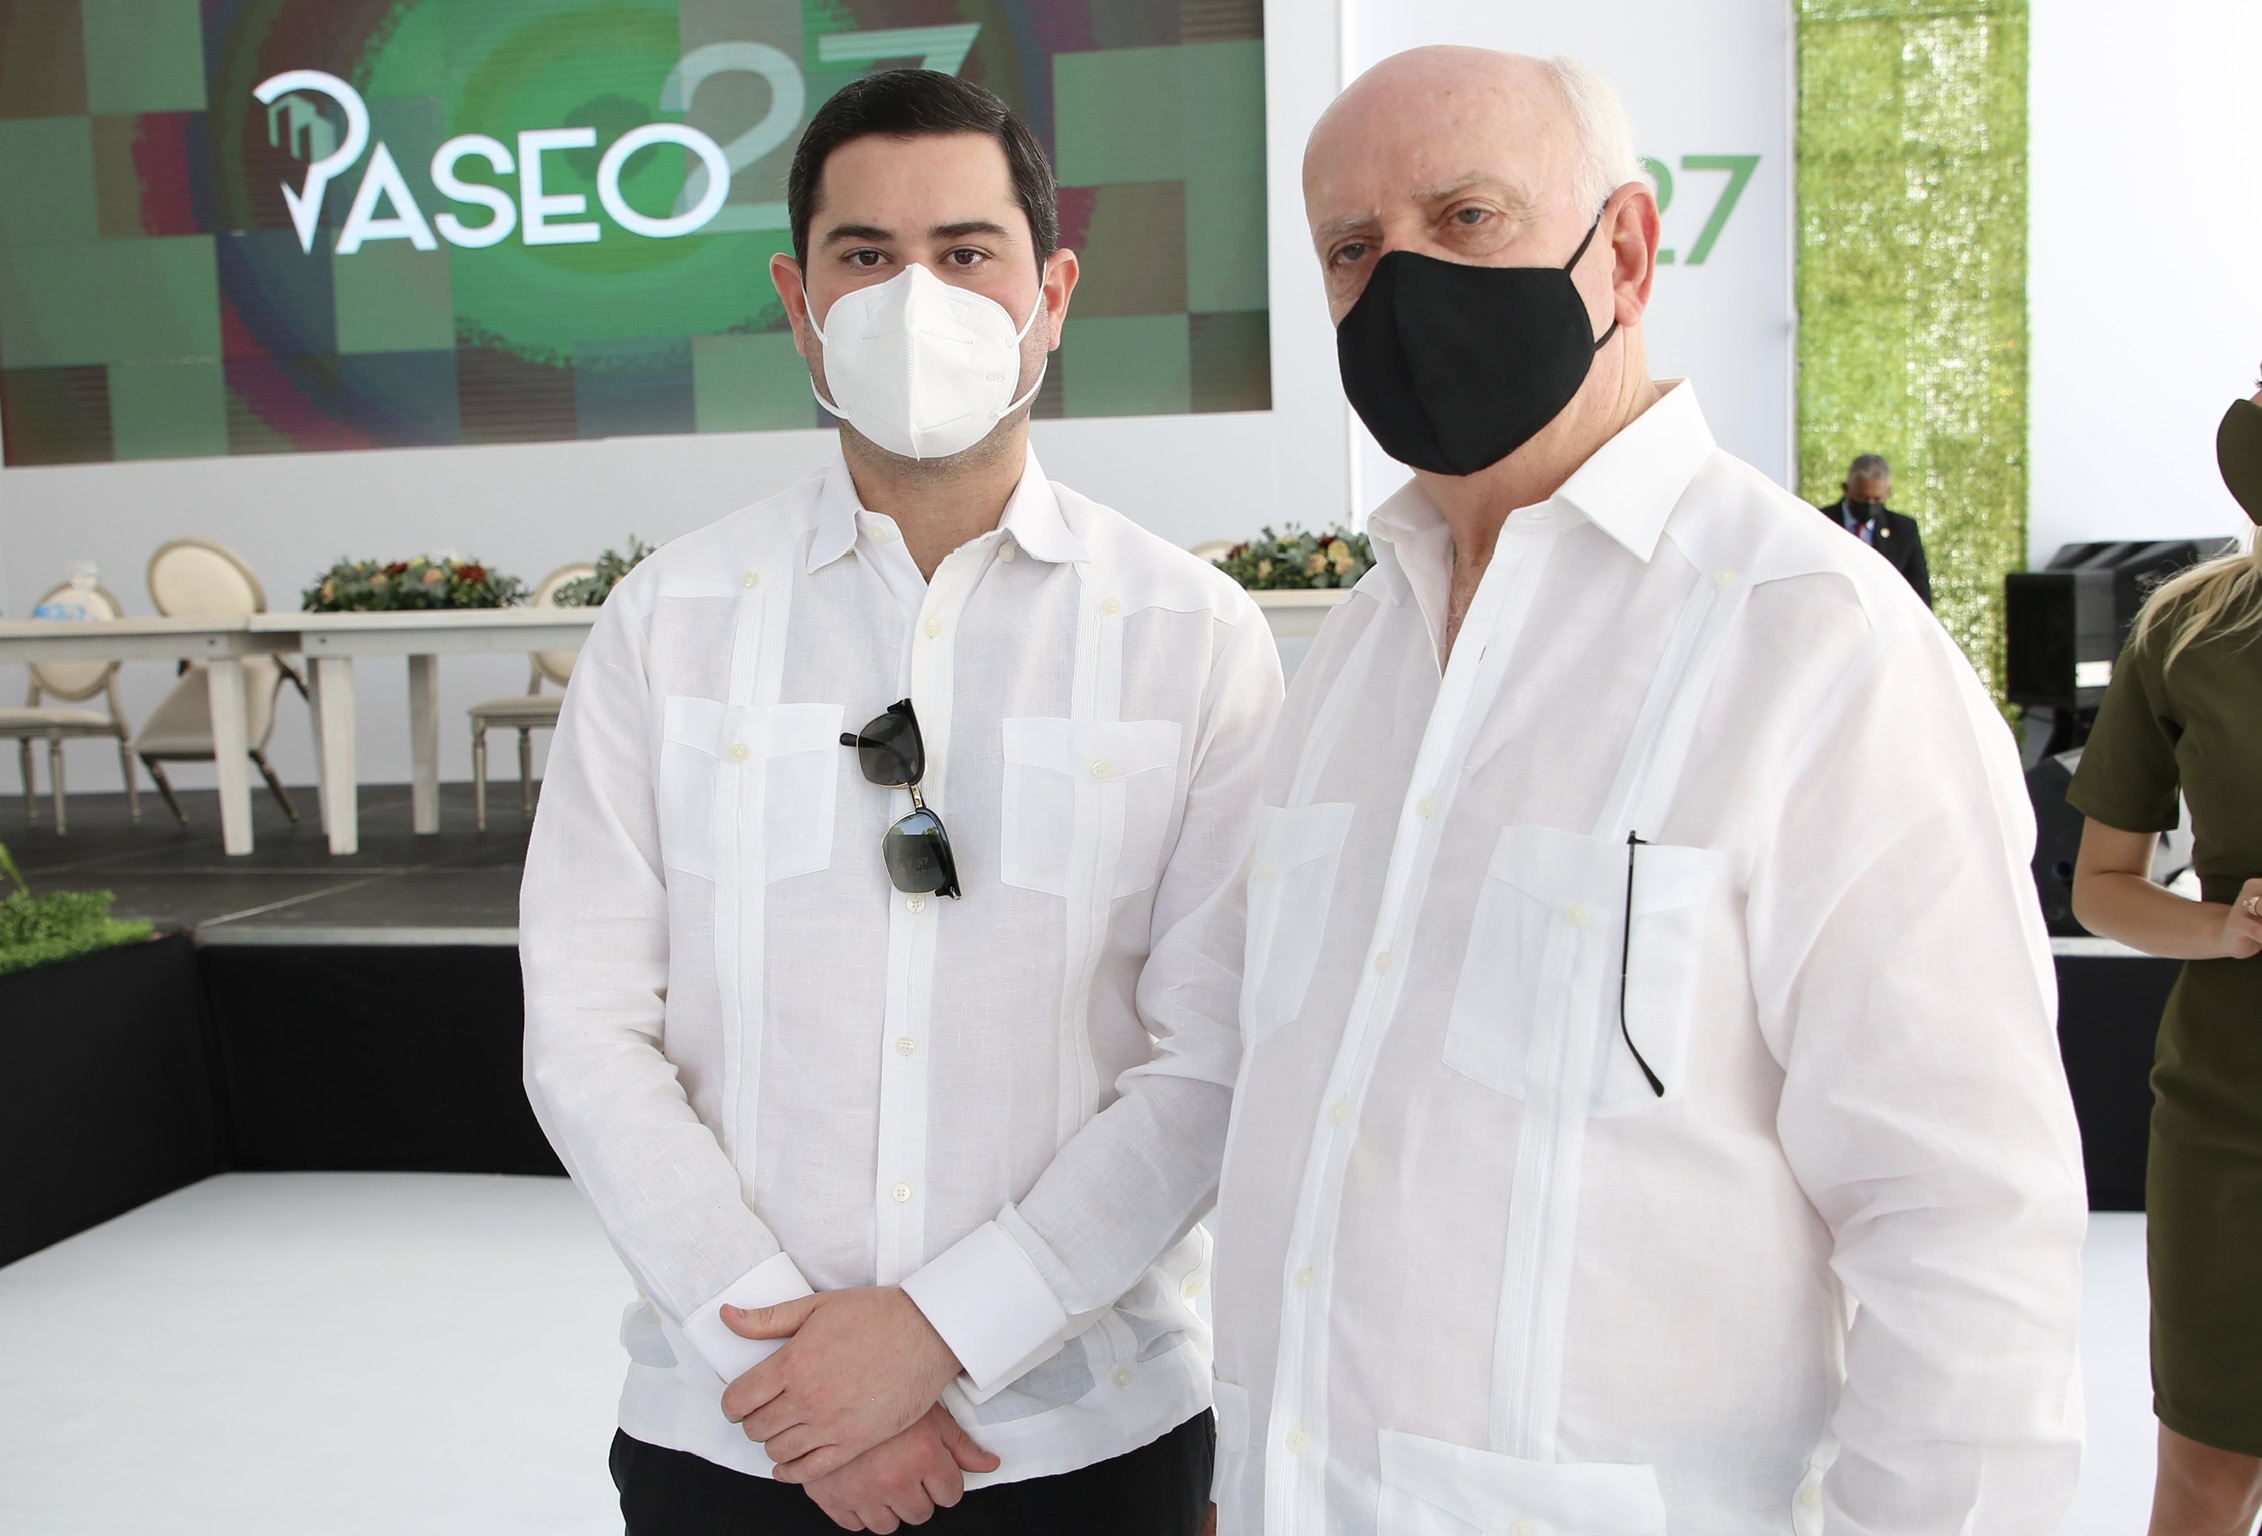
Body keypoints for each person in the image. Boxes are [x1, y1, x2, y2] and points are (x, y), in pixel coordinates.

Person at [1205, 46, 2087, 1535]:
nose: (1402, 285)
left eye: (1465, 217)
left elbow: (1966, 1233)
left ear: (1621, 251)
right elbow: (1303, 1124)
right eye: (1352, 250)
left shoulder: (1816, 648)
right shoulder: (1353, 653)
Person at [520, 69, 1281, 1536]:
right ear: (798, 303)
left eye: (966, 253)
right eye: (864, 256)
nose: (915, 298)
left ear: (1052, 295)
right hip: (732, 1439)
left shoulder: (1190, 636)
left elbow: (1215, 1053)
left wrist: (943, 1333)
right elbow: (586, 1027)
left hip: (1083, 1438)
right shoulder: (669, 621)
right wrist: (789, 1369)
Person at [2070, 375, 2262, 1536]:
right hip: (2233, 1115)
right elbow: (2102, 883)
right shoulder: (2190, 631)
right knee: (2206, 1471)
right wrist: (2220, 926)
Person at [1819, 452, 1932, 606]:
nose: (1869, 504)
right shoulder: (1821, 522)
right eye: (1861, 497)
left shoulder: (1904, 530)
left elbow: (1920, 593)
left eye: (1877, 499)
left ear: (1888, 492)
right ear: (1845, 488)